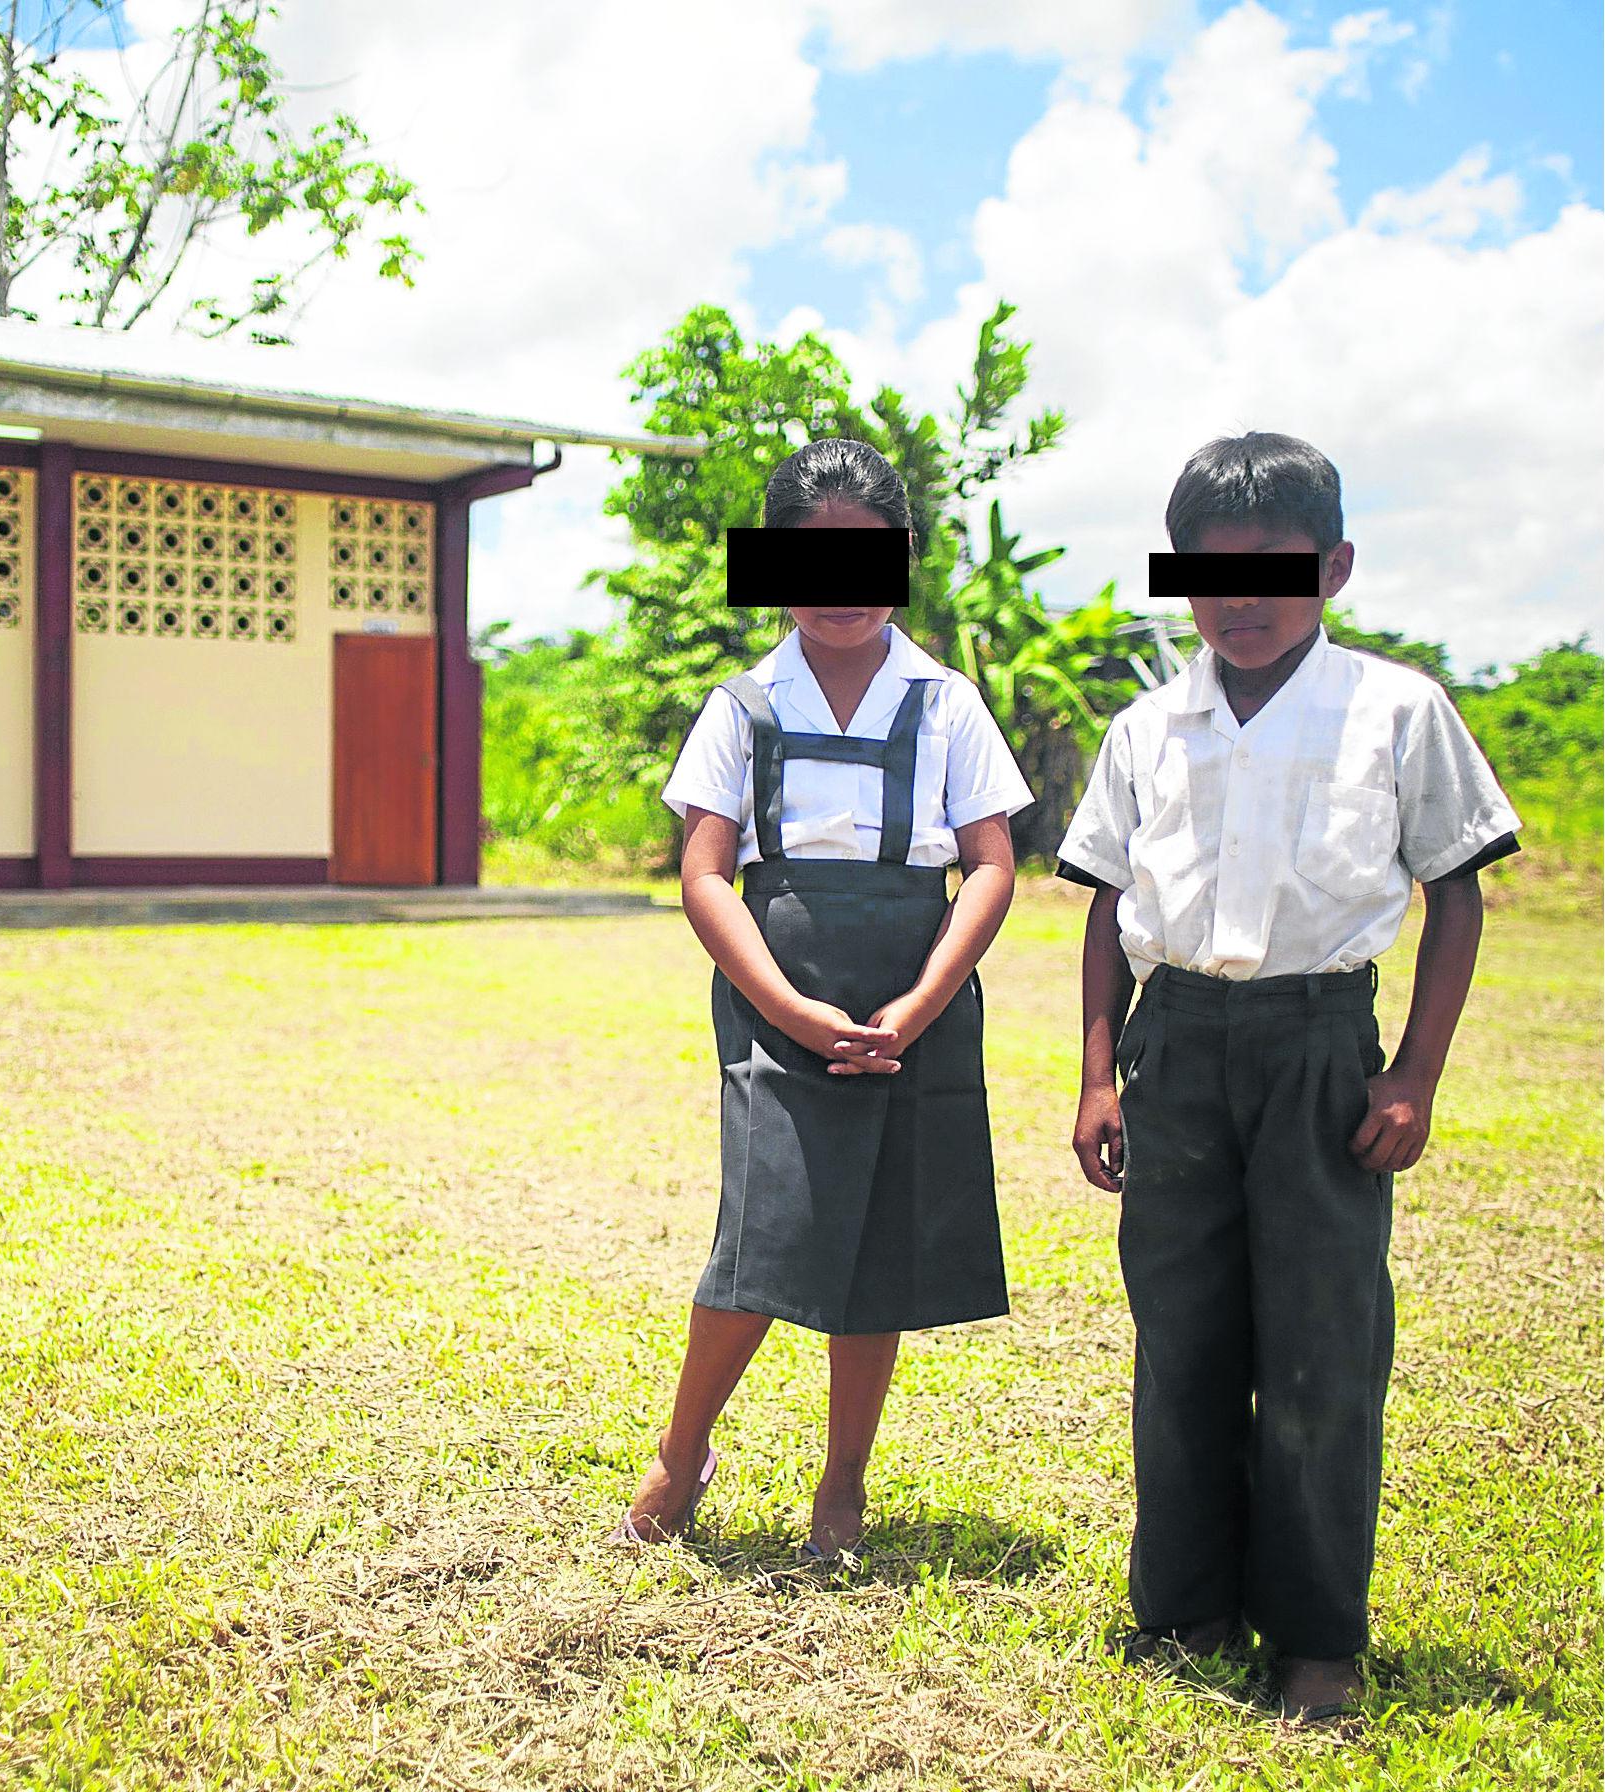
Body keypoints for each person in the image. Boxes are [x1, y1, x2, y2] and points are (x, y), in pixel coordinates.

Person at [1058, 430, 1521, 1723]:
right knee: (1181, 1342)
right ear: (1177, 579)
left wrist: (1411, 1074)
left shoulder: (1393, 709)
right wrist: (1098, 1076)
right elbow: (1100, 906)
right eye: (1209, 577)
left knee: (1321, 1349)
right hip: (1175, 1048)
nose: (1241, 603)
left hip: (1320, 1047)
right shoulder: (1149, 726)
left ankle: (1316, 1637)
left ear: (1334, 567)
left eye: (1273, 573)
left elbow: (1453, 892)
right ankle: (1183, 1607)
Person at [617, 437, 1033, 1565]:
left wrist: (920, 1002)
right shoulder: (742, 707)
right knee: (762, 1235)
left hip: (917, 1007)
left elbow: (991, 864)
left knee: (874, 1246)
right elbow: (704, 873)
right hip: (772, 1008)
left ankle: (842, 1479)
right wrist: (790, 1009)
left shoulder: (945, 703)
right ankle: (681, 1448)